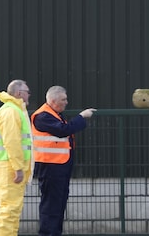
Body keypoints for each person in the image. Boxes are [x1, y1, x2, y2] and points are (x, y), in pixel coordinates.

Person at [31, 85, 96, 236]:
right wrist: (81, 116)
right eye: (63, 99)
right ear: (53, 101)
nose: (66, 102)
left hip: (59, 166)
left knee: (58, 204)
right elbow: (63, 130)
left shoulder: (54, 114)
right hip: (50, 167)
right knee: (51, 206)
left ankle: (54, 233)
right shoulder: (43, 116)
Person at [0, 79, 33, 236]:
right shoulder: (12, 111)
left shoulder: (12, 110)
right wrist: (18, 168)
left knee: (11, 209)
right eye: (27, 92)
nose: (29, 95)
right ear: (19, 93)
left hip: (6, 166)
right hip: (9, 167)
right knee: (10, 209)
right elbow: (12, 142)